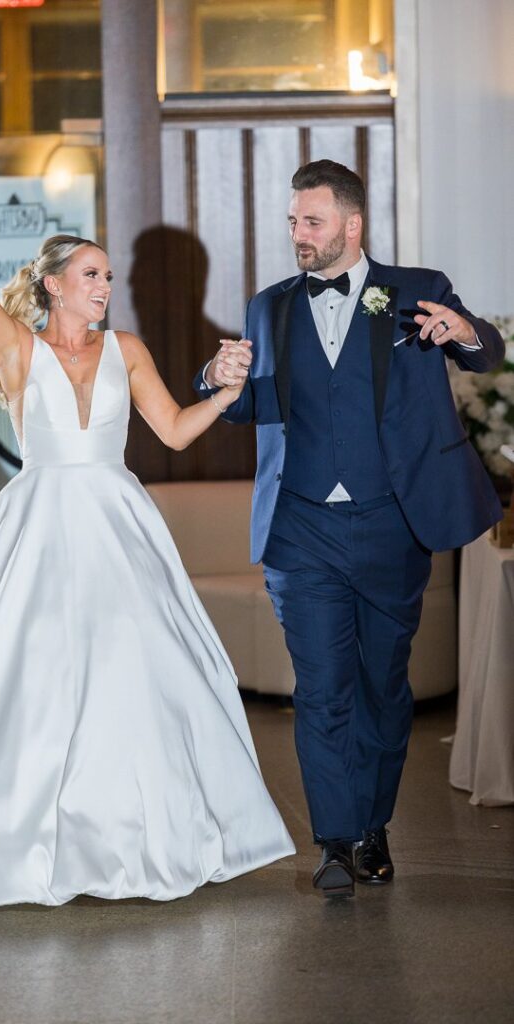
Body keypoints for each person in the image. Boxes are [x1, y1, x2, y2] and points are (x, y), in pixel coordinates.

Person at [0, 157, 294, 912]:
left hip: (116, 519)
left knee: (138, 665)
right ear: (53, 286)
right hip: (40, 522)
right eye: (91, 275)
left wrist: (229, 394)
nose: (104, 287)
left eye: (108, 276)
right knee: (31, 670)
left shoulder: (127, 350)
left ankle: (140, 831)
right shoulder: (17, 348)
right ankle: (18, 832)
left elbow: (171, 432)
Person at [195, 159, 504, 899]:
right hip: (300, 528)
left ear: (351, 224)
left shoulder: (413, 292)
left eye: (312, 222)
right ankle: (335, 841)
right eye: (293, 222)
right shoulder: (268, 306)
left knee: (381, 686)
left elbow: (483, 351)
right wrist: (217, 377)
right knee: (323, 689)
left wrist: (462, 331)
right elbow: (252, 405)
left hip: (391, 522)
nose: (298, 235)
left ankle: (373, 827)